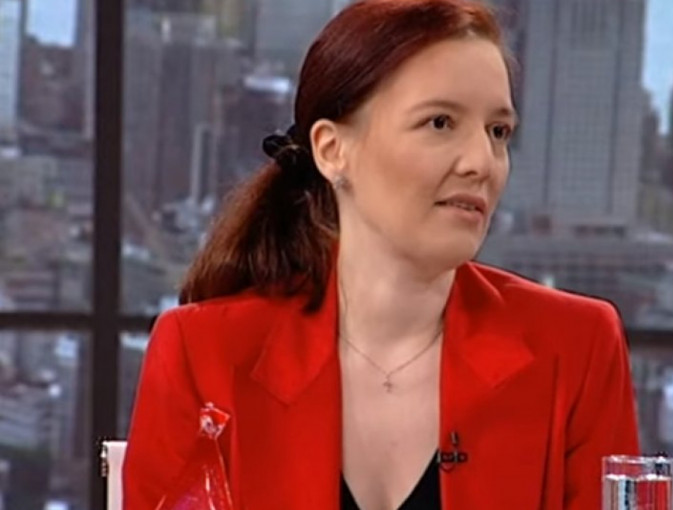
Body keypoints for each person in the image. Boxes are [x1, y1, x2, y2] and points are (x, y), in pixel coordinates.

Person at [123, 0, 640, 508]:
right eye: (440, 123)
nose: (482, 162)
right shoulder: (203, 354)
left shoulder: (576, 347)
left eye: (498, 131)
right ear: (332, 150)